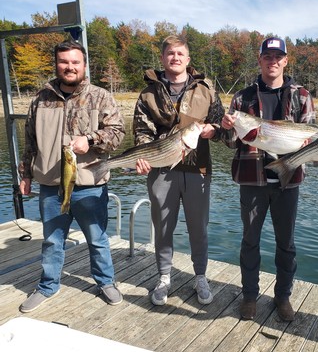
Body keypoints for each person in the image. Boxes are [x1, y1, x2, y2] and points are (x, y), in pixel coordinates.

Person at [18, 40, 126, 312]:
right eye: (64, 62)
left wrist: (90, 140)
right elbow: (30, 140)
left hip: (90, 185)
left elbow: (117, 134)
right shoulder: (41, 99)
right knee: (52, 239)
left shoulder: (100, 96)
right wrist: (25, 174)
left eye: (75, 62)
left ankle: (105, 281)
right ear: (56, 64)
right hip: (50, 185)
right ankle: (47, 286)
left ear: (84, 64)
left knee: (98, 239)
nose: (70, 67)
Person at [221, 37, 316, 321]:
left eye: (278, 56)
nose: (272, 61)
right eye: (267, 56)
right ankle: (250, 295)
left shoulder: (302, 95)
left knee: (286, 244)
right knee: (250, 241)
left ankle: (282, 296)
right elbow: (228, 142)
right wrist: (227, 127)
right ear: (260, 60)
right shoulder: (242, 98)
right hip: (252, 182)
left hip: (289, 182)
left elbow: (311, 138)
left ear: (286, 61)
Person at [133, 35, 224, 306]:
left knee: (199, 228)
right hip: (161, 168)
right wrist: (142, 153)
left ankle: (200, 276)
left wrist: (214, 130)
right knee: (163, 227)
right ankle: (163, 277)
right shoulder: (148, 93)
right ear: (163, 58)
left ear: (188, 59)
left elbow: (221, 126)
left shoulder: (206, 89)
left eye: (180, 54)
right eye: (170, 53)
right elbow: (141, 130)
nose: (175, 58)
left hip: (198, 169)